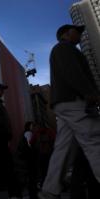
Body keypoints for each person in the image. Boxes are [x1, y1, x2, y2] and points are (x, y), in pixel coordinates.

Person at [38, 24, 100, 199]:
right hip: (74, 100)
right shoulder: (64, 48)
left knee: (64, 148)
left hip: (65, 103)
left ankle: (49, 190)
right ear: (66, 34)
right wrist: (90, 93)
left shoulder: (63, 49)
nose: (80, 34)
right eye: (76, 31)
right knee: (95, 139)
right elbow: (73, 73)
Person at [15, 121, 38, 199]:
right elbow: (30, 144)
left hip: (23, 159)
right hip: (27, 160)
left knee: (26, 179)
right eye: (33, 126)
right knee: (29, 179)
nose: (34, 127)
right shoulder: (29, 133)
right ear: (28, 126)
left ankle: (18, 194)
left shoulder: (24, 134)